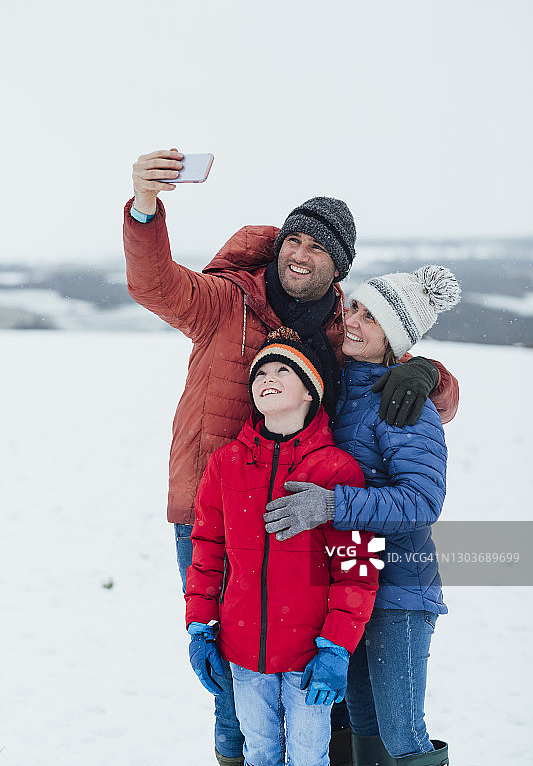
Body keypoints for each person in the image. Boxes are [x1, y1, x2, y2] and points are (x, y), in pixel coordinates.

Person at [123, 147, 459, 766]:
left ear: (339, 268)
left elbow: (387, 359)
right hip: (218, 511)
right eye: (294, 240)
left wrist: (430, 375)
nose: (301, 255)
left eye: (319, 248)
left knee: (322, 680)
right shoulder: (225, 300)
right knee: (236, 688)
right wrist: (145, 207)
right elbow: (154, 283)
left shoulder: (339, 324)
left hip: (309, 514)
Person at [263, 266, 461, 766]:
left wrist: (332, 505)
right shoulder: (340, 388)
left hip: (398, 586)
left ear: (394, 335)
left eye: (371, 317)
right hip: (348, 578)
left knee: (401, 729)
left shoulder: (406, 404)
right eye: (354, 307)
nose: (351, 320)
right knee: (362, 719)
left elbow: (422, 501)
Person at [184, 328, 381, 766]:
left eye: (282, 370)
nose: (267, 378)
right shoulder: (226, 464)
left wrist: (336, 646)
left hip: (310, 654)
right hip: (242, 651)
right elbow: (207, 552)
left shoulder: (337, 470)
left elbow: (357, 567)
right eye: (260, 373)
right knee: (259, 752)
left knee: (309, 756)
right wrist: (200, 627)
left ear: (311, 391)